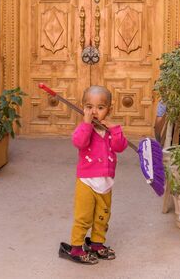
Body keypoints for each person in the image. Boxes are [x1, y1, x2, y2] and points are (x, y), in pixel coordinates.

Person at [59, 85, 128, 265]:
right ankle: (75, 247)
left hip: (106, 182)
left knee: (102, 216)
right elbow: (79, 143)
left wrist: (115, 129)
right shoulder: (84, 129)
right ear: (83, 108)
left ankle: (97, 243)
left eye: (100, 107)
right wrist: (87, 125)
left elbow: (120, 147)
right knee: (84, 216)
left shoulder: (110, 131)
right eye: (89, 107)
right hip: (87, 181)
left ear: (109, 110)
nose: (94, 112)